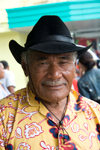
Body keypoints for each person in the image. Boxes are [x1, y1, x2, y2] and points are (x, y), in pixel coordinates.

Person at [0, 15, 99, 150]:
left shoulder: (96, 113)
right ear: (25, 67)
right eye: (43, 62)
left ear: (75, 66)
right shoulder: (3, 118)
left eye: (63, 61)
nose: (55, 74)